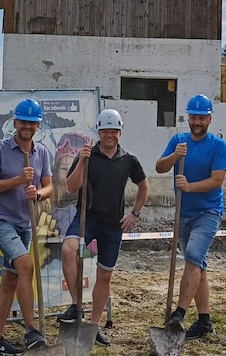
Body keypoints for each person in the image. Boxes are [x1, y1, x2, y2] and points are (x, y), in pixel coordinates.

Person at [57, 108, 149, 346]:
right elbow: (71, 187)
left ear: (120, 132)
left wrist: (134, 214)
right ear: (99, 131)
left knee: (105, 275)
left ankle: (93, 326)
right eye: (105, 131)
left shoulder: (129, 160)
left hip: (112, 225)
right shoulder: (87, 154)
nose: (109, 135)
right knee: (68, 249)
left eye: (114, 131)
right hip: (87, 218)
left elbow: (144, 186)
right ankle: (77, 306)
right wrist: (83, 161)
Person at [0, 99, 53, 354]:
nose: (27, 126)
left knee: (11, 280)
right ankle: (31, 331)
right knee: (26, 265)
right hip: (0, 220)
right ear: (15, 123)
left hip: (25, 224)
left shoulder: (42, 152)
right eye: (23, 121)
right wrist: (17, 180)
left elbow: (49, 187)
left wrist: (38, 193)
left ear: (38, 126)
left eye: (32, 122)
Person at [157, 94, 226, 340]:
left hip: (208, 212)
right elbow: (160, 167)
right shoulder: (178, 141)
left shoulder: (218, 146)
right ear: (188, 118)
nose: (197, 122)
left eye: (201, 117)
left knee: (193, 257)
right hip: (183, 214)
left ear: (209, 118)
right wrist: (174, 156)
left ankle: (179, 313)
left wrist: (189, 187)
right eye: (193, 117)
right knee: (198, 266)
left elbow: (217, 181)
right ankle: (205, 322)